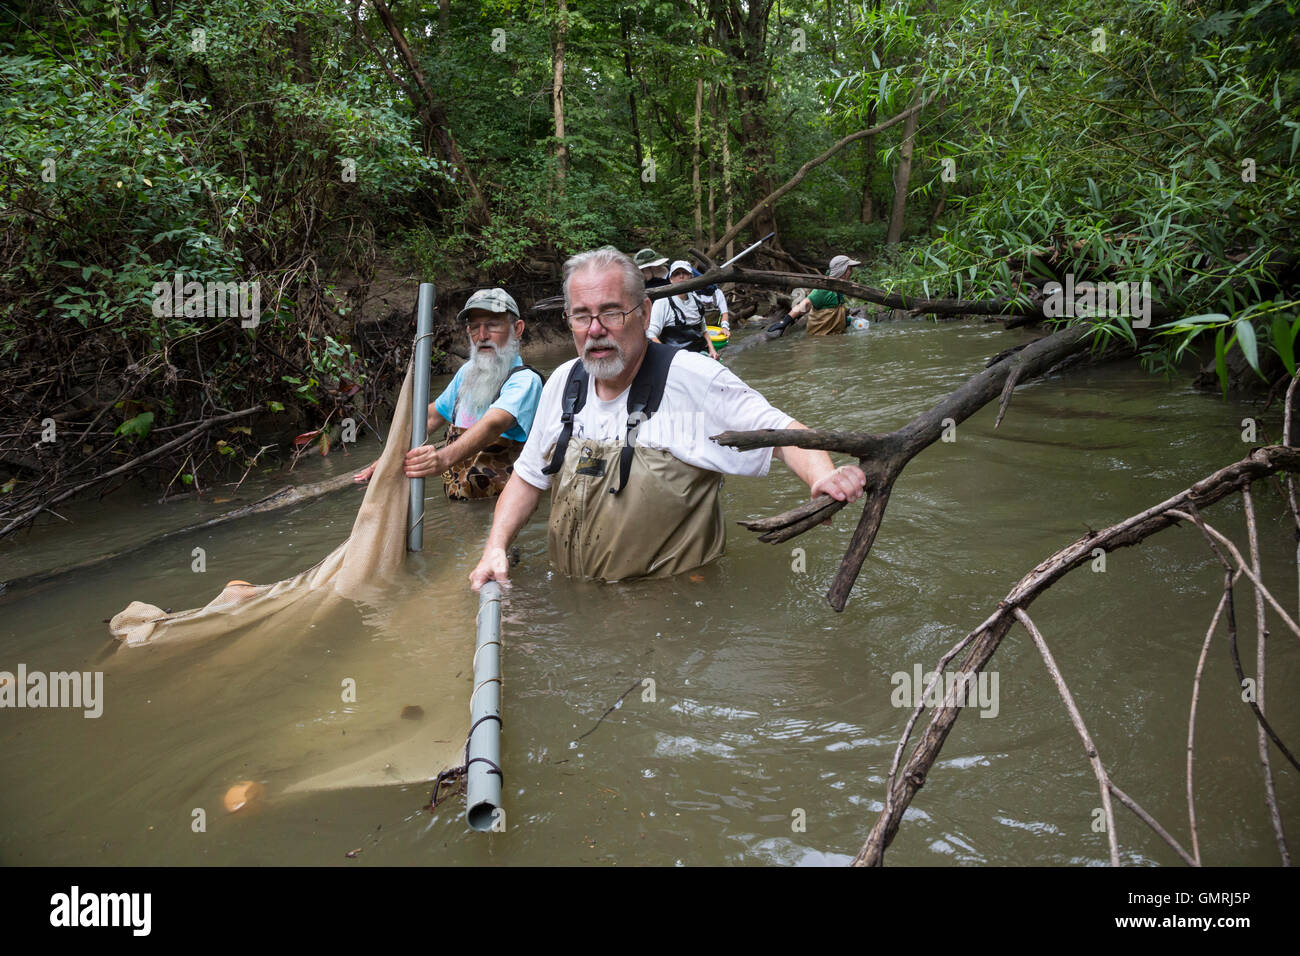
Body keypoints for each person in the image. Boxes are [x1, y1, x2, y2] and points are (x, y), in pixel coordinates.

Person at [468, 247, 866, 588]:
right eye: (581, 316)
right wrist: (495, 548)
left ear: (643, 312)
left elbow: (781, 432)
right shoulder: (563, 383)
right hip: (576, 602)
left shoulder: (695, 379)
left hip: (674, 615)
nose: (595, 330)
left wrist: (822, 477)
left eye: (611, 313)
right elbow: (526, 478)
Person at [353, 288, 543, 500]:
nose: (482, 336)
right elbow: (430, 417)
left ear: (517, 329)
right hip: (460, 508)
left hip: (505, 510)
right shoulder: (466, 374)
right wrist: (388, 459)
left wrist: (441, 460)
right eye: (474, 327)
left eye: (492, 325)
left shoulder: (526, 381)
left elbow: (493, 424)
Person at [768, 254, 862, 336]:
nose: (851, 272)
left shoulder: (839, 289)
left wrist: (849, 321)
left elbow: (835, 315)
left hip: (833, 337)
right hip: (820, 339)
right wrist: (784, 322)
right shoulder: (824, 289)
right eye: (849, 269)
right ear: (842, 271)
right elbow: (804, 305)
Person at [647, 260, 725, 358]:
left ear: (691, 277)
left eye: (685, 273)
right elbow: (651, 334)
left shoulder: (696, 300)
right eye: (677, 274)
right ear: (671, 279)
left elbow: (704, 330)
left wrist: (712, 349)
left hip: (699, 353)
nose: (681, 276)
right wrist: (668, 357)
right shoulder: (662, 303)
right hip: (675, 356)